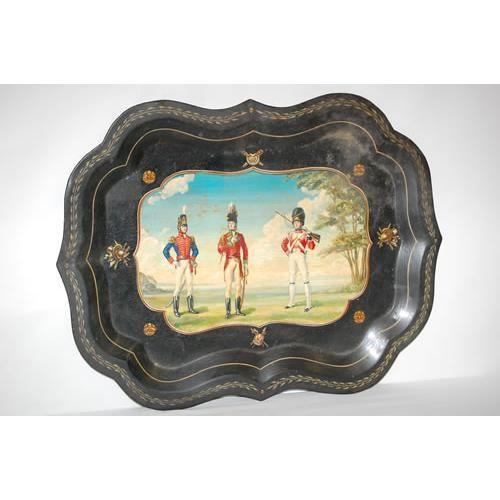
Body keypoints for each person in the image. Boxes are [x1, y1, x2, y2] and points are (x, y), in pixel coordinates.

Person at [163, 210, 199, 318]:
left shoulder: (190, 239)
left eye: (186, 226)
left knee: (190, 285)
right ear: (179, 227)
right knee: (178, 285)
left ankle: (190, 308)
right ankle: (176, 310)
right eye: (183, 226)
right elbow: (165, 251)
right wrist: (172, 261)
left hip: (188, 264)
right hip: (179, 264)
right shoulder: (174, 239)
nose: (185, 228)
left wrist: (192, 259)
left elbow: (196, 250)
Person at [281, 207, 316, 312]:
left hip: (301, 256)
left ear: (302, 223)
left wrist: (309, 237)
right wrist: (288, 253)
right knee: (292, 280)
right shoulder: (290, 234)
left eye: (298, 222)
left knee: (305, 279)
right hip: (292, 257)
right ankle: (291, 302)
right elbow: (283, 244)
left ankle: (308, 304)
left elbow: (312, 247)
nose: (296, 224)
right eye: (295, 222)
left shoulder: (305, 234)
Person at [217, 203, 249, 319]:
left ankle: (238, 310)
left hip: (238, 263)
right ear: (228, 225)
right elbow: (220, 249)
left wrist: (245, 264)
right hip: (229, 262)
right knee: (229, 287)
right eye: (230, 223)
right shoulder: (224, 237)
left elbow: (245, 249)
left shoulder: (240, 236)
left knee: (239, 287)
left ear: (236, 224)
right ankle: (228, 312)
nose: (232, 225)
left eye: (233, 223)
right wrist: (230, 243)